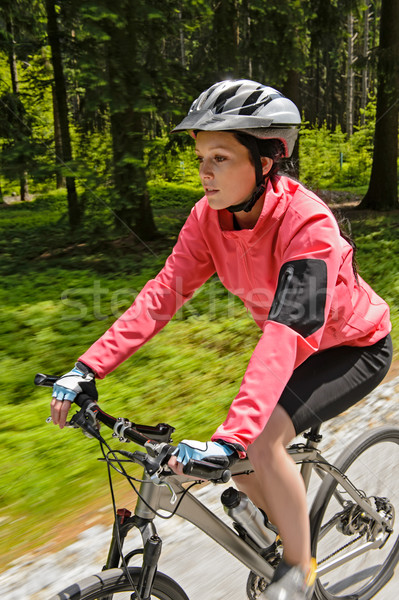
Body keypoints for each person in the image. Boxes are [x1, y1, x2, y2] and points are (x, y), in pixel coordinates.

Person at [50, 79, 392, 600]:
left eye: (220, 157)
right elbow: (162, 294)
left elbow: (286, 330)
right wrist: (88, 367)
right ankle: (272, 516)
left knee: (256, 439)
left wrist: (233, 435)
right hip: (296, 350)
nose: (204, 171)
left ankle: (299, 572)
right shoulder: (207, 218)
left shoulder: (309, 225)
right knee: (241, 460)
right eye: (200, 156)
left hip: (353, 348)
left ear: (265, 161)